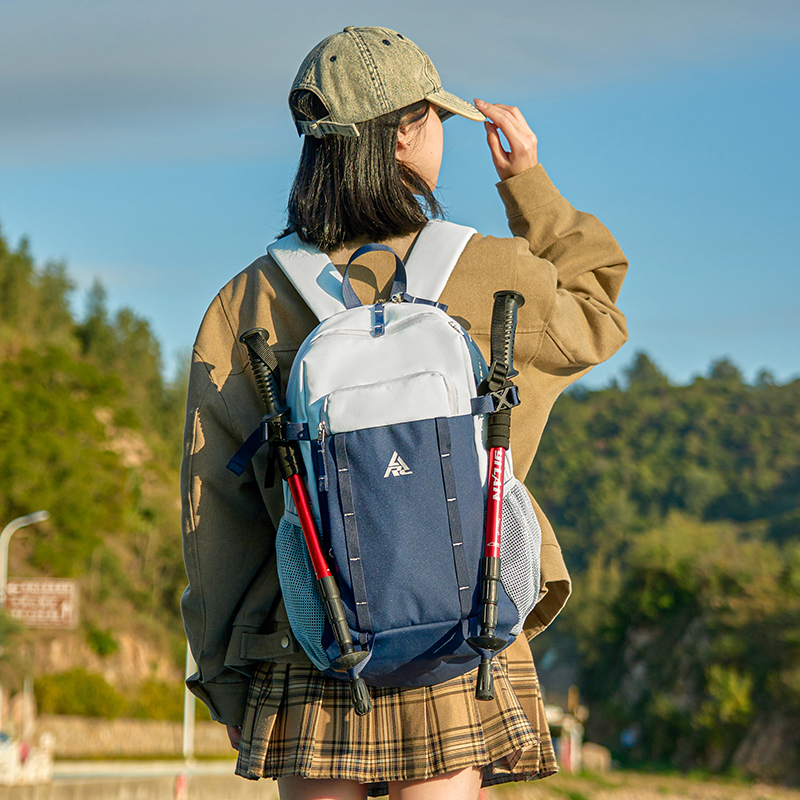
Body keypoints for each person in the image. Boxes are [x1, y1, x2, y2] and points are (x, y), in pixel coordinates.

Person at [181, 25, 628, 800]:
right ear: (405, 135)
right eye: (438, 120)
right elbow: (598, 308)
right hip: (460, 622)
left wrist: (224, 675)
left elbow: (212, 510)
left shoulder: (247, 299)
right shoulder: (495, 271)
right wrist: (530, 186)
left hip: (314, 633)